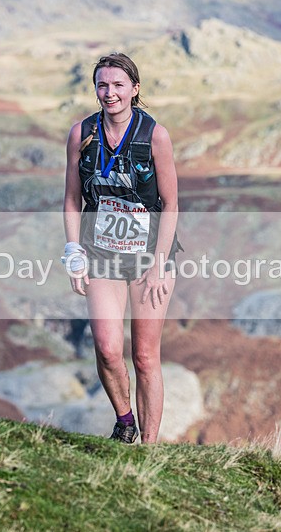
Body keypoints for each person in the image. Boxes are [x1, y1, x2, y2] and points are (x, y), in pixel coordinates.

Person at [62, 53, 181, 444]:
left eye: (117, 85)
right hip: (100, 254)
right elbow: (71, 200)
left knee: (145, 357)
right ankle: (125, 420)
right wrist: (73, 252)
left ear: (134, 88)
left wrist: (161, 263)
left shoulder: (155, 136)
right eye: (102, 85)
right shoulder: (82, 134)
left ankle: (148, 448)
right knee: (108, 348)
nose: (109, 92)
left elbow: (172, 204)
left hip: (150, 255)